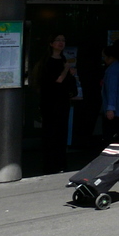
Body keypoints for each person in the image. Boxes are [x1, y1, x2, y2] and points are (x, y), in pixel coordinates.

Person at [37, 34, 77, 174]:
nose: (61, 43)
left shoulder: (63, 59)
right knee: (51, 133)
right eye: (58, 40)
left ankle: (61, 162)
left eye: (63, 40)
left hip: (63, 101)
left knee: (61, 133)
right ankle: (51, 164)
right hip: (51, 102)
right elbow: (57, 80)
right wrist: (67, 70)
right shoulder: (48, 61)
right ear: (51, 43)